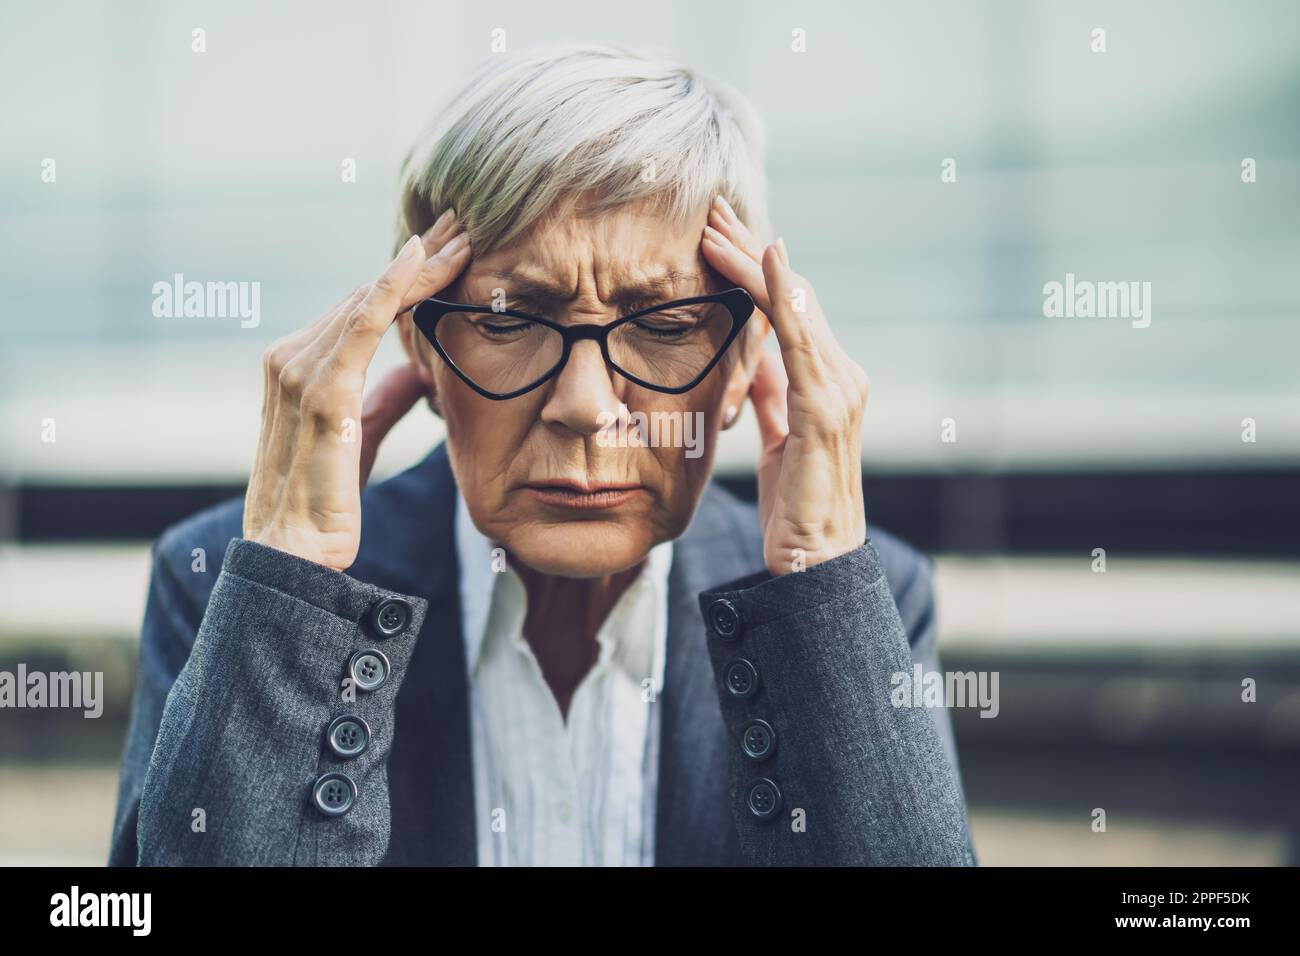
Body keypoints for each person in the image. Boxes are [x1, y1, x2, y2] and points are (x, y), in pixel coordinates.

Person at [109, 43, 976, 866]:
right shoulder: (229, 590)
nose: (587, 408)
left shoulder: (866, 603)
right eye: (510, 322)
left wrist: (823, 587)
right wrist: (289, 587)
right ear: (417, 344)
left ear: (754, 358)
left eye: (666, 324)